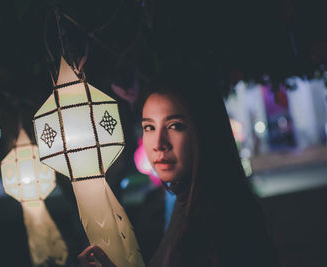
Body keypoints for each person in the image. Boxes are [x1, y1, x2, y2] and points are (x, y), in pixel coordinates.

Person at [78, 67, 277, 267]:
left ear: (204, 129)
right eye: (149, 127)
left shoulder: (228, 218)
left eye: (175, 125)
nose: (158, 143)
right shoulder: (186, 203)